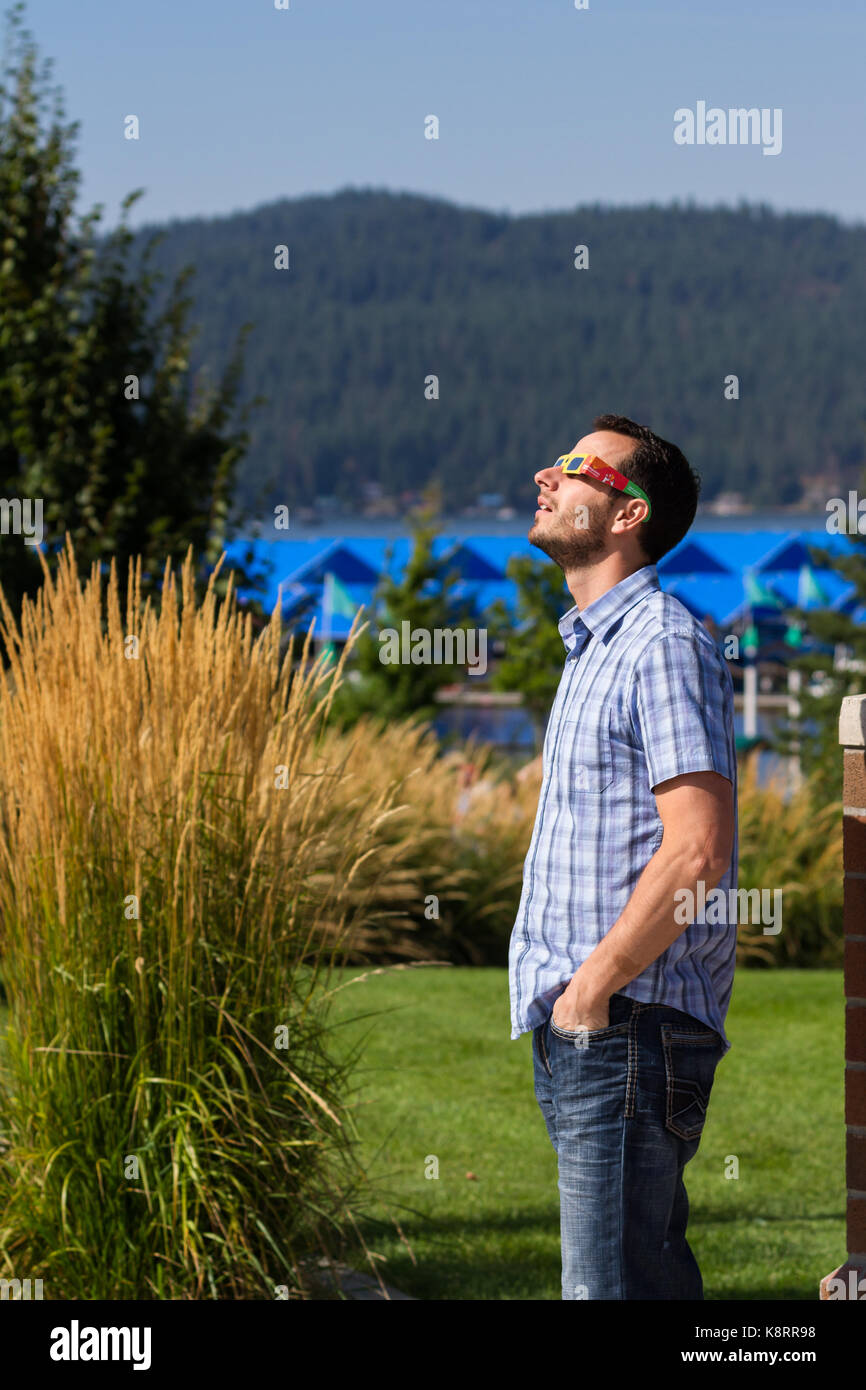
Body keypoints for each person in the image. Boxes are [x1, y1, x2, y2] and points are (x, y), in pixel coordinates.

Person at [508, 413, 737, 1301]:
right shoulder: (593, 649)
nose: (547, 474)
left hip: (627, 1024)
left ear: (629, 512)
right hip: (595, 1029)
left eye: (575, 468)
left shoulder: (662, 642)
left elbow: (698, 852)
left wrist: (592, 988)